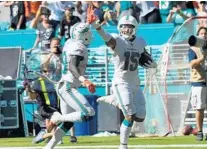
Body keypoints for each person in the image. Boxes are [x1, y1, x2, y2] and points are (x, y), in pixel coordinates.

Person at [87, 5, 157, 149]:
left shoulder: (140, 41)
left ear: (135, 28)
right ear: (119, 27)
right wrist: (96, 25)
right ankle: (123, 146)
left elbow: (143, 56)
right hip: (121, 82)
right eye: (123, 27)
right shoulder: (118, 40)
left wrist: (151, 63)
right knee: (130, 115)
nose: (126, 29)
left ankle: (114, 100)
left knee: (141, 117)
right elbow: (107, 38)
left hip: (135, 83)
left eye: (129, 27)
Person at [43, 22, 96, 149]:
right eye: (87, 33)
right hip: (68, 86)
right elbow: (72, 66)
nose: (90, 35)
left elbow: (60, 50)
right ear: (81, 36)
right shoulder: (79, 47)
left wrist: (88, 22)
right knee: (88, 113)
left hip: (64, 85)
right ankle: (57, 117)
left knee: (69, 122)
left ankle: (48, 147)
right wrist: (85, 80)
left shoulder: (69, 43)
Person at [188, 27, 207, 141]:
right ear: (198, 35)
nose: (204, 35)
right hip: (198, 81)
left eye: (205, 34)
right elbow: (192, 64)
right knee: (199, 108)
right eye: (201, 33)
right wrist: (201, 58)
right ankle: (200, 131)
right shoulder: (193, 49)